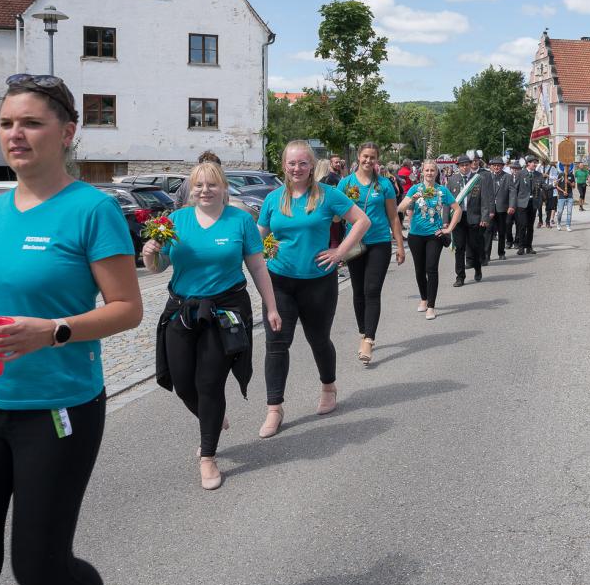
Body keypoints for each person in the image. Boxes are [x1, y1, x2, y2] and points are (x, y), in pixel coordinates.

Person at [0, 74, 142, 585]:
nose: (15, 134)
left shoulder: (92, 209)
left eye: (31, 123)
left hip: (56, 407)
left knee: (41, 570)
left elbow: (128, 309)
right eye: (6, 123)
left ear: (66, 132)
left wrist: (54, 331)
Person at [144, 162, 281, 489]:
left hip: (225, 311)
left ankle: (208, 456)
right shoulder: (175, 221)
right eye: (199, 185)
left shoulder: (240, 221)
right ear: (190, 189)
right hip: (182, 310)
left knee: (209, 383)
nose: (205, 190)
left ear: (224, 188)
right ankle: (214, 416)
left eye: (212, 184)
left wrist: (272, 307)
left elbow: (257, 267)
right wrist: (150, 254)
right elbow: (158, 267)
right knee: (182, 383)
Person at [257, 141, 369, 438]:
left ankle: (328, 387)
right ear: (284, 165)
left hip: (318, 282)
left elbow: (362, 221)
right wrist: (259, 248)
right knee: (276, 343)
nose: (297, 168)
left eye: (303, 163)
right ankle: (274, 408)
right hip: (279, 282)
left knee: (318, 339)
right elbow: (258, 236)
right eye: (292, 163)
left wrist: (339, 252)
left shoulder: (328, 195)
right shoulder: (273, 199)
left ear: (312, 165)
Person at [337, 143, 405, 366]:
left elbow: (393, 216)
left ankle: (369, 339)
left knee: (372, 290)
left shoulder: (384, 184)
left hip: (379, 243)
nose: (368, 160)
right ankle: (362, 331)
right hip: (354, 244)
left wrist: (400, 245)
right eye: (365, 156)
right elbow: (335, 215)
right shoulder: (346, 183)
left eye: (372, 157)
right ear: (358, 157)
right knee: (358, 291)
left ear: (377, 159)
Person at [399, 160, 460, 319]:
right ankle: (424, 299)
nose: (429, 173)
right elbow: (400, 208)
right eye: (427, 170)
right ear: (422, 172)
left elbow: (457, 209)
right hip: (416, 236)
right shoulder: (415, 189)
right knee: (419, 270)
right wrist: (412, 200)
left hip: (435, 235)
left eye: (432, 170)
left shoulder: (442, 190)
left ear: (436, 172)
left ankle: (431, 306)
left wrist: (449, 229)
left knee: (431, 268)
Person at [447, 155, 487, 287]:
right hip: (458, 218)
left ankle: (477, 268)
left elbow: (485, 200)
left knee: (474, 246)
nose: (464, 167)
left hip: (474, 217)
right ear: (458, 167)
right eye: (462, 165)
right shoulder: (452, 180)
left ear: (470, 165)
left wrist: (484, 217)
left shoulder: (479, 179)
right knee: (459, 248)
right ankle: (460, 277)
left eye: (466, 165)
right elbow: (447, 202)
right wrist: (445, 220)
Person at [510, 156, 542, 255]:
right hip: (522, 203)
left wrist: (553, 185)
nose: (535, 164)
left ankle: (529, 247)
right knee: (522, 225)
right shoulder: (520, 173)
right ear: (528, 163)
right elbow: (514, 189)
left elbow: (543, 185)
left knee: (530, 226)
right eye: (533, 162)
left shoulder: (538, 174)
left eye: (536, 163)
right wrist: (513, 204)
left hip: (533, 202)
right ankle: (521, 247)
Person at [486, 157, 511, 260]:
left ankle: (501, 252)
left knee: (502, 231)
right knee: (488, 232)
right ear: (491, 166)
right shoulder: (487, 176)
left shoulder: (507, 177)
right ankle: (486, 254)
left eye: (499, 165)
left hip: (502, 208)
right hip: (489, 208)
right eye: (494, 165)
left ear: (502, 166)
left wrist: (511, 205)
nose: (496, 167)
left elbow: (512, 192)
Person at [555, 164, 576, 231]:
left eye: (568, 166)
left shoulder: (571, 175)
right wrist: (563, 191)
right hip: (561, 196)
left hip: (570, 195)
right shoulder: (560, 175)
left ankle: (568, 225)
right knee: (560, 212)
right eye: (565, 166)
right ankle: (558, 223)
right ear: (563, 167)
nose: (566, 168)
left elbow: (574, 186)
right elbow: (557, 186)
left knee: (569, 212)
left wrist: (569, 182)